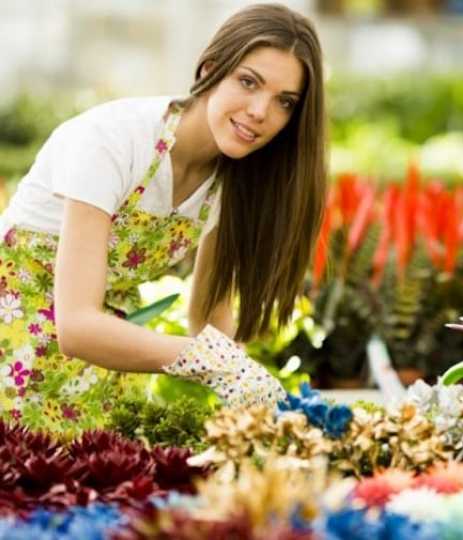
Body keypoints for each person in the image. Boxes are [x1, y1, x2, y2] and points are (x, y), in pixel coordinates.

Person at [0, 3, 327, 433]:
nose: (260, 112)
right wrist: (206, 361)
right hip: (14, 345)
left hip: (105, 364)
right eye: (248, 82)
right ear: (210, 68)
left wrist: (249, 405)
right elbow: (76, 325)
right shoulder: (113, 140)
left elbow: (210, 316)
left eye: (284, 102)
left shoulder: (235, 179)